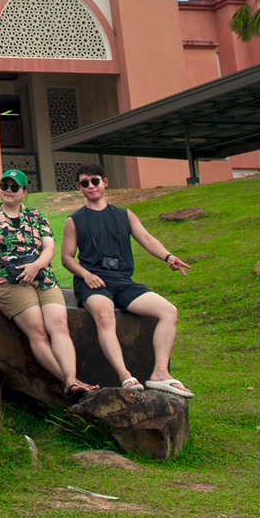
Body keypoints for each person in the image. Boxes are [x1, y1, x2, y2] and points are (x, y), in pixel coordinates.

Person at [60, 163, 195, 397]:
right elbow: (66, 258)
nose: (91, 186)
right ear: (79, 187)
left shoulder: (125, 215)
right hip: (92, 281)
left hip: (123, 281)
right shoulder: (75, 220)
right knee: (105, 315)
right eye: (85, 183)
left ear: (105, 182)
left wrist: (168, 257)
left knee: (168, 311)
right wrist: (86, 275)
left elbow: (147, 239)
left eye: (95, 181)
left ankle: (160, 373)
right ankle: (125, 376)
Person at [0, 167, 97, 397]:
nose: (8, 190)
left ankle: (71, 378)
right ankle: (70, 382)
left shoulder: (36, 215)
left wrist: (36, 266)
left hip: (42, 277)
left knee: (59, 326)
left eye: (14, 187)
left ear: (24, 192)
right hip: (9, 281)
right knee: (38, 331)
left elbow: (49, 248)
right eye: (4, 185)